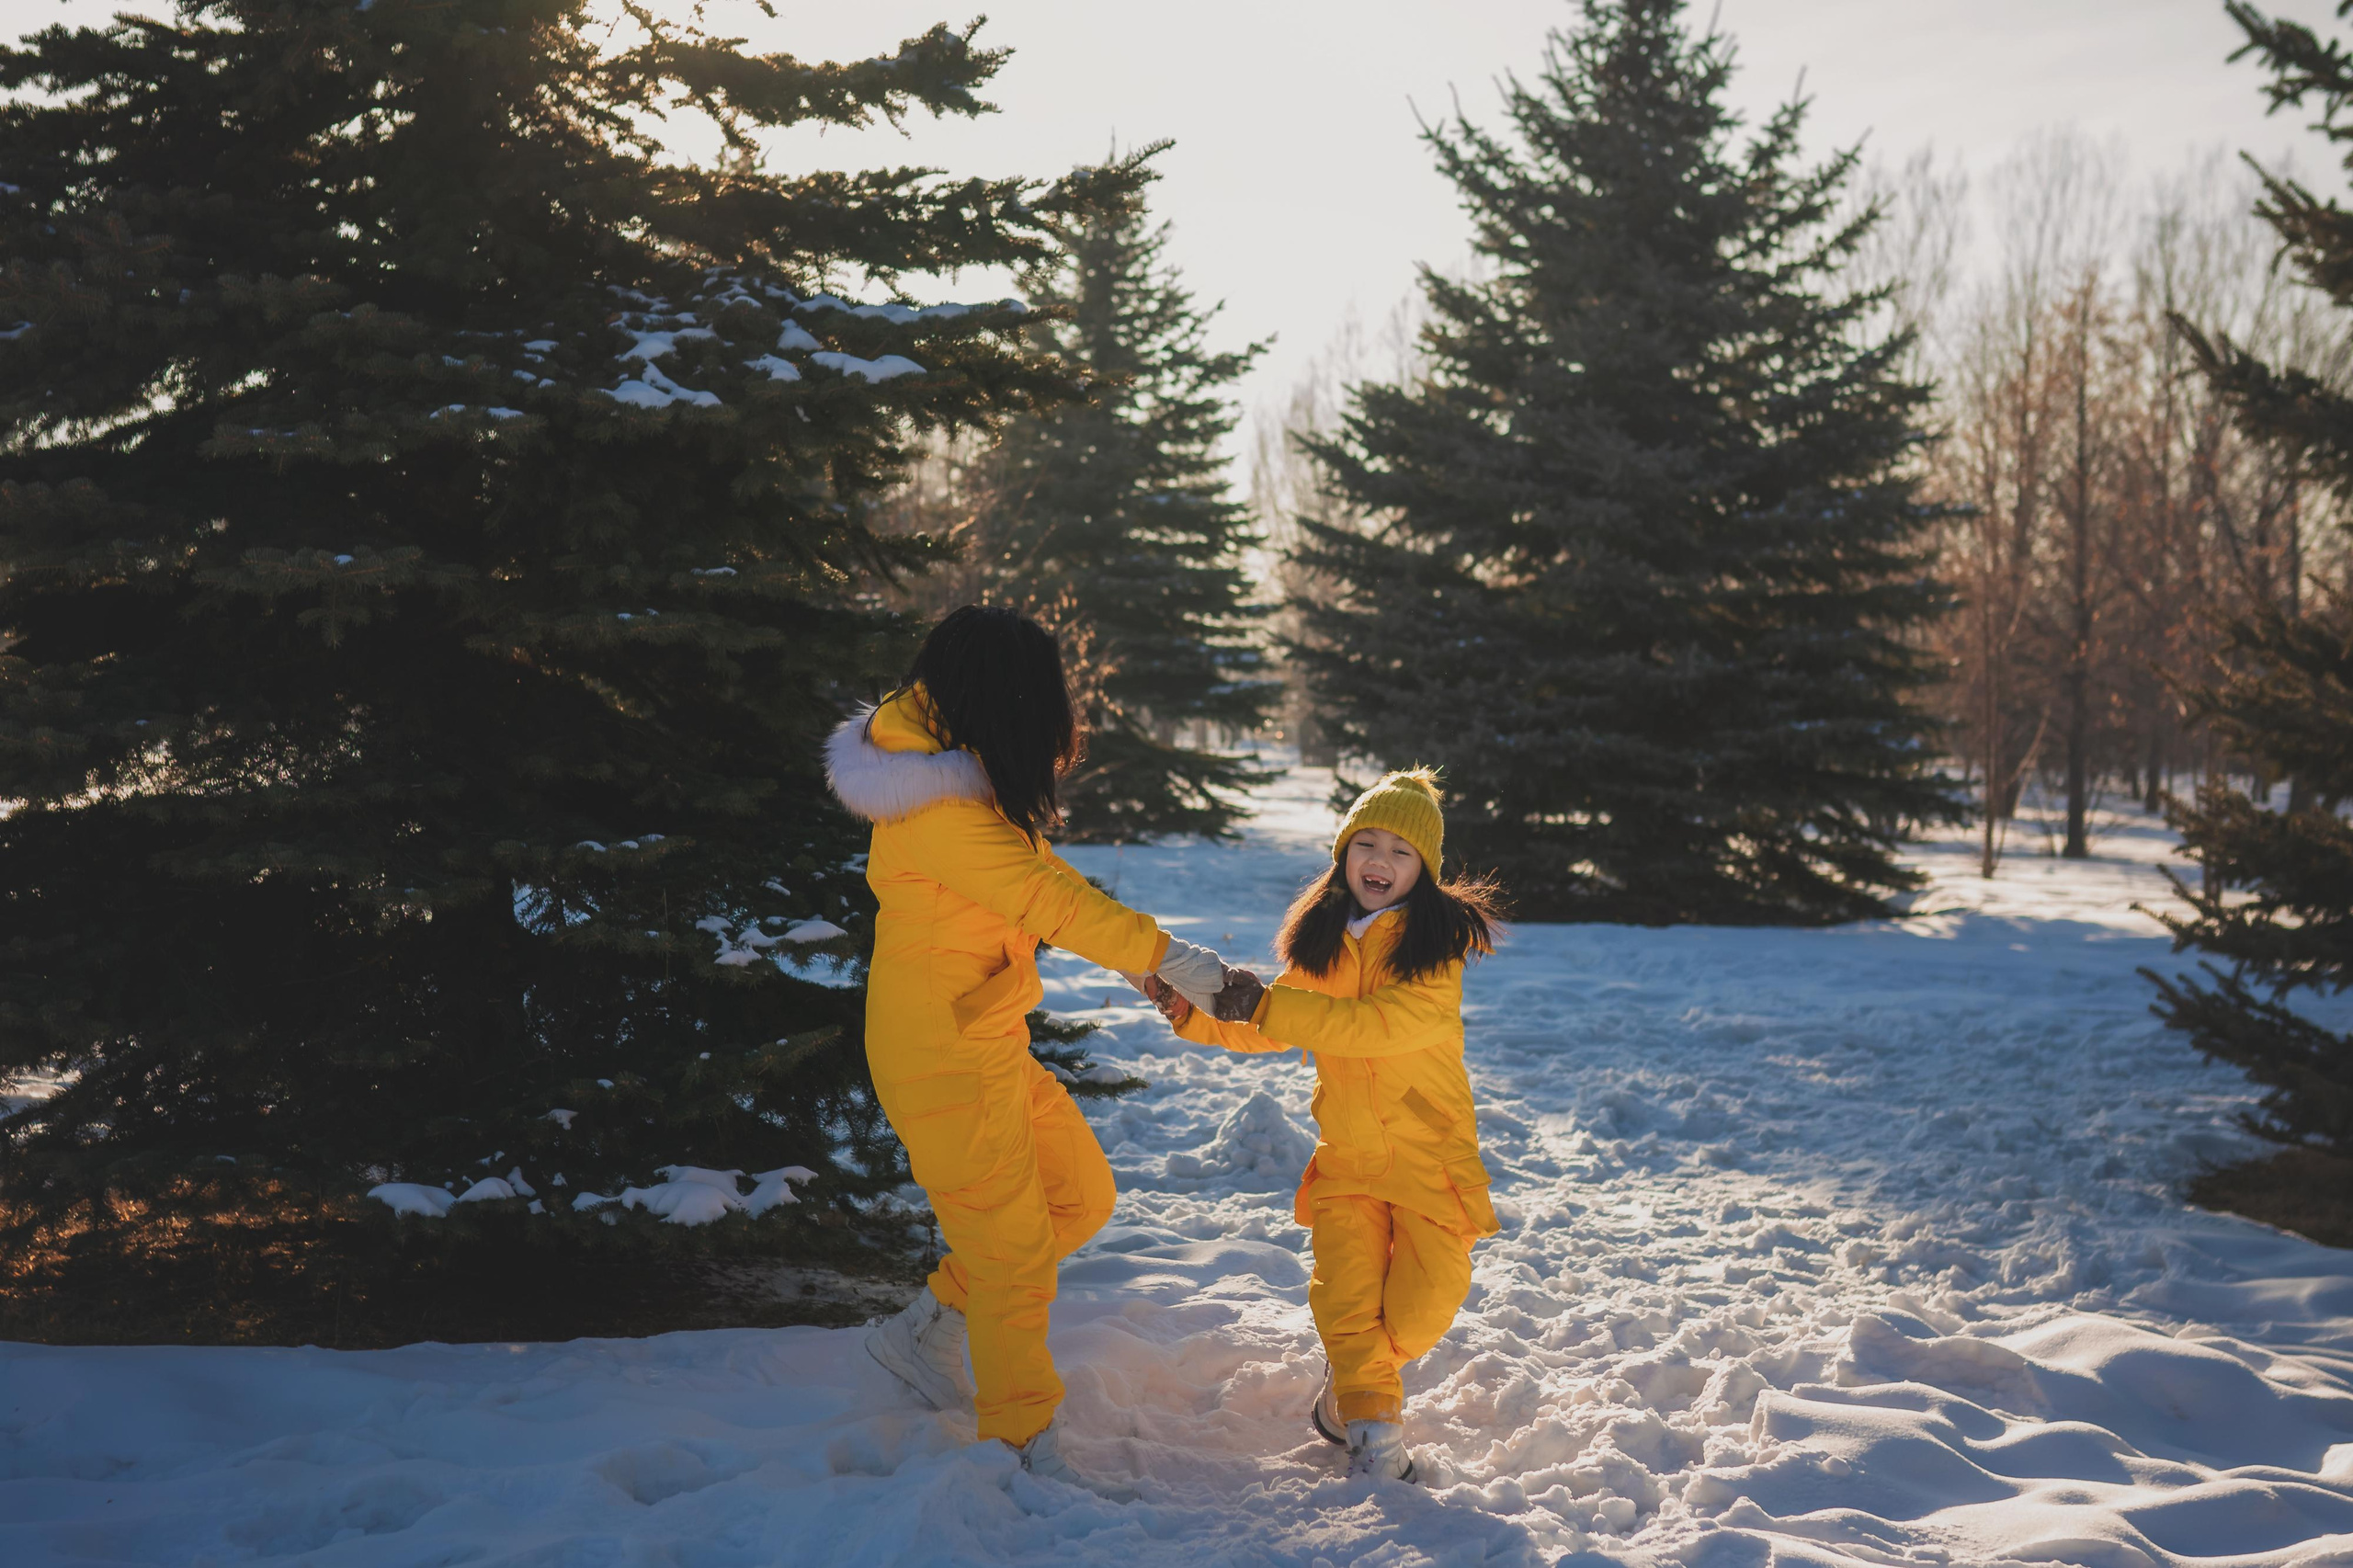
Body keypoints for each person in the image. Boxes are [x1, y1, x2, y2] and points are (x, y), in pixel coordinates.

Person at [825, 606, 1229, 1498]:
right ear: (1002, 700)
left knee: (1077, 1195)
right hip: (940, 1056)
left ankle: (926, 1326)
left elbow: (1043, 883)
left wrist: (1141, 968)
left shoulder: (949, 778)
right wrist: (1174, 958)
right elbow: (1049, 902)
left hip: (984, 1034)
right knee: (1012, 1253)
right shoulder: (937, 808)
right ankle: (1018, 1436)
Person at [1148, 768, 1503, 1483]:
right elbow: (1268, 1024)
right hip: (1348, 1161)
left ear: (1424, 871)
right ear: (1343, 854)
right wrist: (1193, 1011)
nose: (1379, 860)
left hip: (1430, 1157)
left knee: (1425, 1305)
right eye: (1365, 843)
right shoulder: (1327, 943)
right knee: (1345, 1300)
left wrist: (1268, 1007)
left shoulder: (1433, 955)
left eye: (1401, 852)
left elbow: (1375, 1028)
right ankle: (1375, 1434)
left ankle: (1345, 1396)